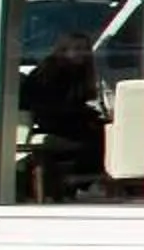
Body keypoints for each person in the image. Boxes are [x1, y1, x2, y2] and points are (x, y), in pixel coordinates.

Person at [20, 32, 106, 196]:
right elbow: (52, 104)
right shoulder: (52, 71)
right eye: (77, 48)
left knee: (97, 132)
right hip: (49, 120)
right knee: (96, 137)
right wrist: (88, 114)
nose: (83, 53)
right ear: (64, 50)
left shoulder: (76, 71)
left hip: (62, 118)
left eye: (85, 49)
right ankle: (82, 183)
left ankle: (83, 182)